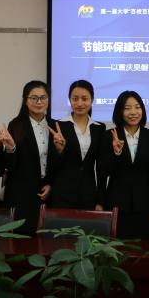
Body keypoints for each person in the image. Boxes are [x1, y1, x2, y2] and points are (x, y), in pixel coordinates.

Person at [97, 90, 149, 239]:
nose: (133, 112)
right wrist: (116, 152)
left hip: (145, 206)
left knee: (144, 249)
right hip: (117, 204)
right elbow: (102, 172)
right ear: (120, 112)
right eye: (127, 108)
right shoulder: (108, 136)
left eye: (137, 107)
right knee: (117, 248)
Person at [4, 81, 63, 235]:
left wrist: (51, 184)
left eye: (43, 97)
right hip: (21, 195)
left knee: (47, 241)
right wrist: (11, 148)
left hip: (47, 195)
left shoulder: (56, 126)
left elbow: (59, 165)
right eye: (34, 98)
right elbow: (10, 166)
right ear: (25, 100)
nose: (39, 102)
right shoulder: (15, 125)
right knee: (20, 240)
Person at [51, 80, 106, 210]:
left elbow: (101, 167)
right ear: (69, 100)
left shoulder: (99, 128)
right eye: (75, 99)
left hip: (89, 194)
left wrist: (100, 199)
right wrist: (59, 151)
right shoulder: (58, 126)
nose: (79, 103)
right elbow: (51, 164)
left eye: (84, 99)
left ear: (92, 100)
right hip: (62, 194)